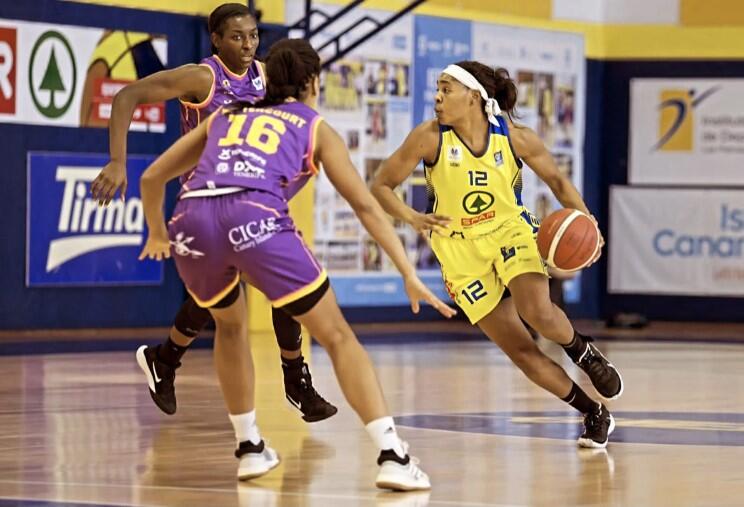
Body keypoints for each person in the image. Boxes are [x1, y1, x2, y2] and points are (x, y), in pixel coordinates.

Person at [136, 37, 456, 489]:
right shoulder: (314, 125)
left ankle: (250, 447)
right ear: (312, 83)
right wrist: (407, 271)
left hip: (191, 220)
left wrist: (157, 233)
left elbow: (152, 176)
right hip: (254, 217)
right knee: (338, 336)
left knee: (230, 327)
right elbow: (365, 206)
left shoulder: (227, 115)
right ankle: (393, 456)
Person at [89, 3, 336, 422]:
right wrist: (117, 161)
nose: (248, 44)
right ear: (217, 40)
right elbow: (128, 96)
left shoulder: (265, 76)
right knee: (242, 291)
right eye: (237, 37)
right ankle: (285, 380)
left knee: (261, 285)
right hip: (204, 203)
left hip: (249, 200)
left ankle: (169, 361)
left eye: (253, 36)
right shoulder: (202, 78)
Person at [371, 61, 623, 448]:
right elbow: (381, 185)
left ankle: (583, 351)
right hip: (458, 250)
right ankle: (593, 412)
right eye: (437, 89)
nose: (437, 97)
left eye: (446, 89)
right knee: (522, 352)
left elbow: (557, 181)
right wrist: (412, 217)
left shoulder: (514, 137)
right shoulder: (429, 137)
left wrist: (588, 223)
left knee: (536, 311)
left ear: (474, 96)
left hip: (509, 229)